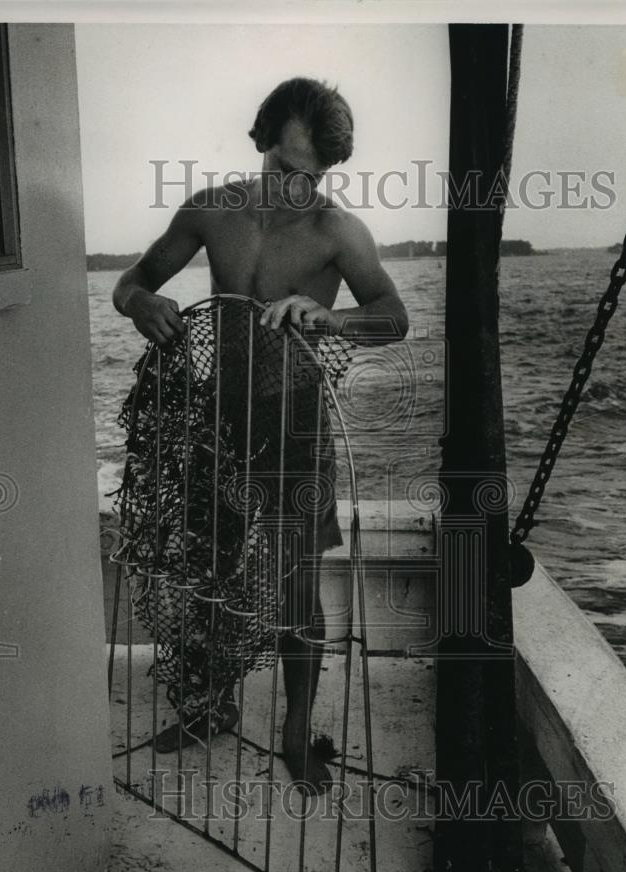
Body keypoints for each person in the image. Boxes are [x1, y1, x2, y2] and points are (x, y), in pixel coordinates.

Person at [113, 77, 408, 794]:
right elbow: (131, 282)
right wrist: (143, 302)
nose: (298, 191)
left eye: (314, 178)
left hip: (297, 426)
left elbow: (393, 318)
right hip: (219, 419)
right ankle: (212, 706)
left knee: (295, 588)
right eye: (286, 172)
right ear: (260, 144)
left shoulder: (337, 231)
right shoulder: (212, 212)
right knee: (209, 575)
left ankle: (296, 731)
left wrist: (332, 317)